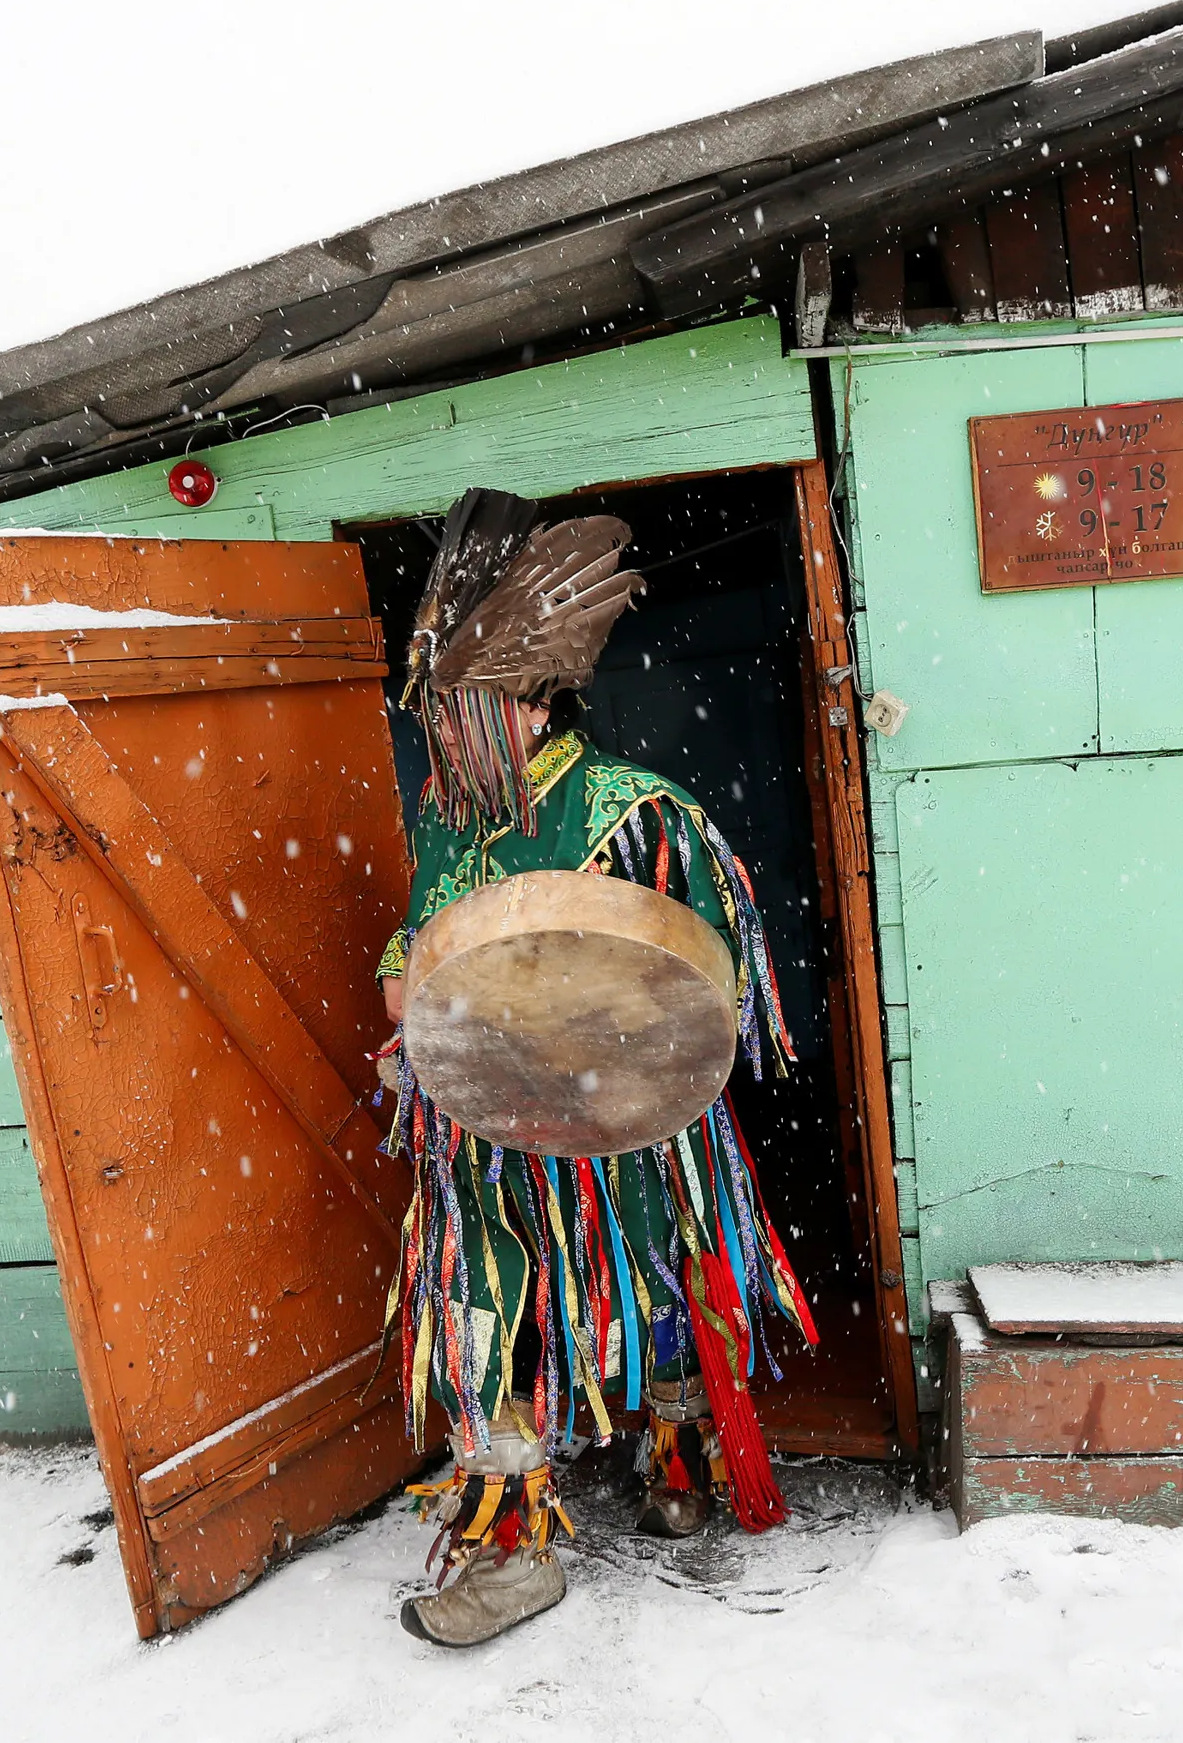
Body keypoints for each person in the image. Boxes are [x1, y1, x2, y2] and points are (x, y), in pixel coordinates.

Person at [374, 489, 816, 1648]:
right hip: (476, 1130)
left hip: (622, 1127)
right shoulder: (446, 818)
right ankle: (512, 1549)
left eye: (458, 713)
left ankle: (678, 1458)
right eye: (433, 715)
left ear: (529, 702)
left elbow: (712, 986)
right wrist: (408, 991)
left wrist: (604, 1042)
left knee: (654, 1287)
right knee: (480, 1309)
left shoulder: (639, 815)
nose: (441, 737)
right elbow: (414, 938)